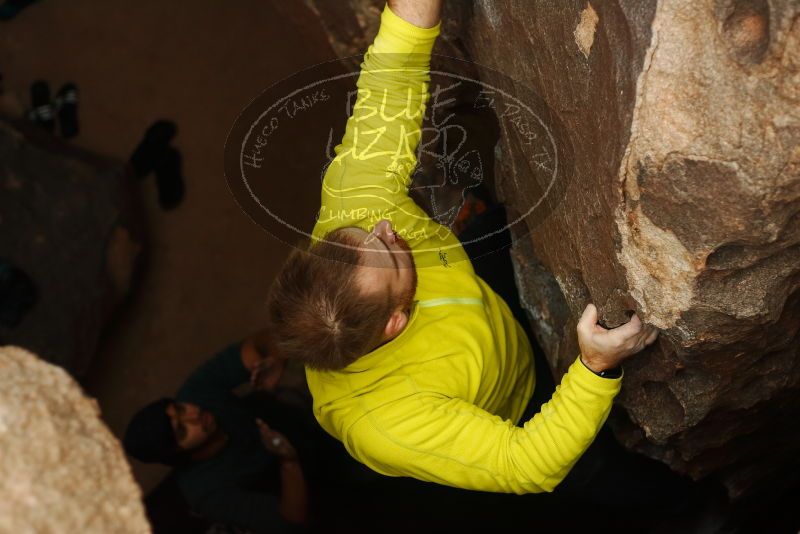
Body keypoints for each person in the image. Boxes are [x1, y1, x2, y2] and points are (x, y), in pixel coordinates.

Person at [266, 0, 659, 496]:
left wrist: (410, 15)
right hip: (520, 401)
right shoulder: (388, 425)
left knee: (484, 232)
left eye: (363, 235)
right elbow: (526, 464)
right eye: (389, 252)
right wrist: (594, 369)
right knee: (600, 474)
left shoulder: (354, 207)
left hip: (473, 286)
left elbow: (388, 90)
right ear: (395, 322)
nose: (386, 227)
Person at [123, 330, 309, 533]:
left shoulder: (196, 392)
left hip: (288, 411)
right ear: (177, 454)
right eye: (182, 430)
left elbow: (262, 341)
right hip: (299, 477)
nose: (194, 415)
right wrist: (288, 462)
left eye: (180, 409)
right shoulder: (205, 492)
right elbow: (289, 520)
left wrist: (274, 361)